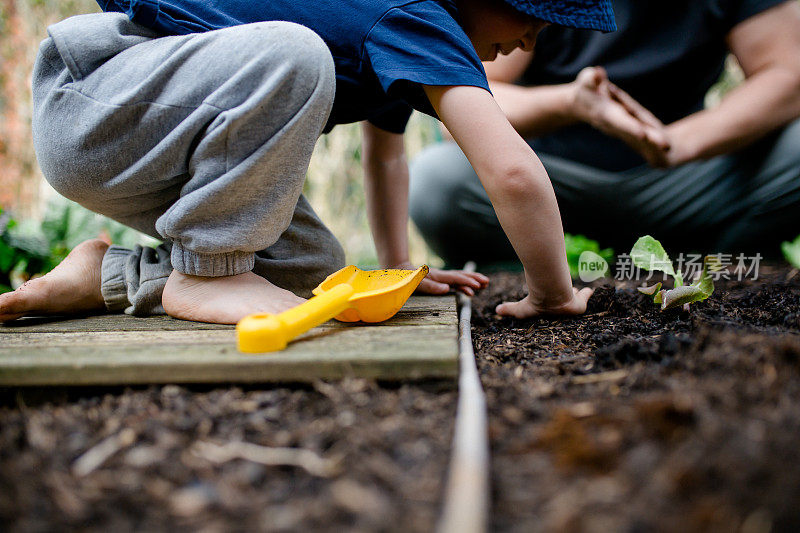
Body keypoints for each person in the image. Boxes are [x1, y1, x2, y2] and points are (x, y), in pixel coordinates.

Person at [0, 0, 616, 324]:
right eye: (531, 14)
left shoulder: (400, 37)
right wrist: (552, 294)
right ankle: (208, 273)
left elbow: (386, 154)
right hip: (95, 98)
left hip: (148, 139)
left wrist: (397, 265)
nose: (534, 39)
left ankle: (107, 276)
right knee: (298, 54)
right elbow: (509, 169)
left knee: (312, 270)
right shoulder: (415, 16)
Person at [410, 0, 800, 268]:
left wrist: (680, 142)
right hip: (548, 183)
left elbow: (788, 73)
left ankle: (716, 258)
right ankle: (536, 260)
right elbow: (466, 100)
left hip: (686, 182)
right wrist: (571, 103)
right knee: (435, 180)